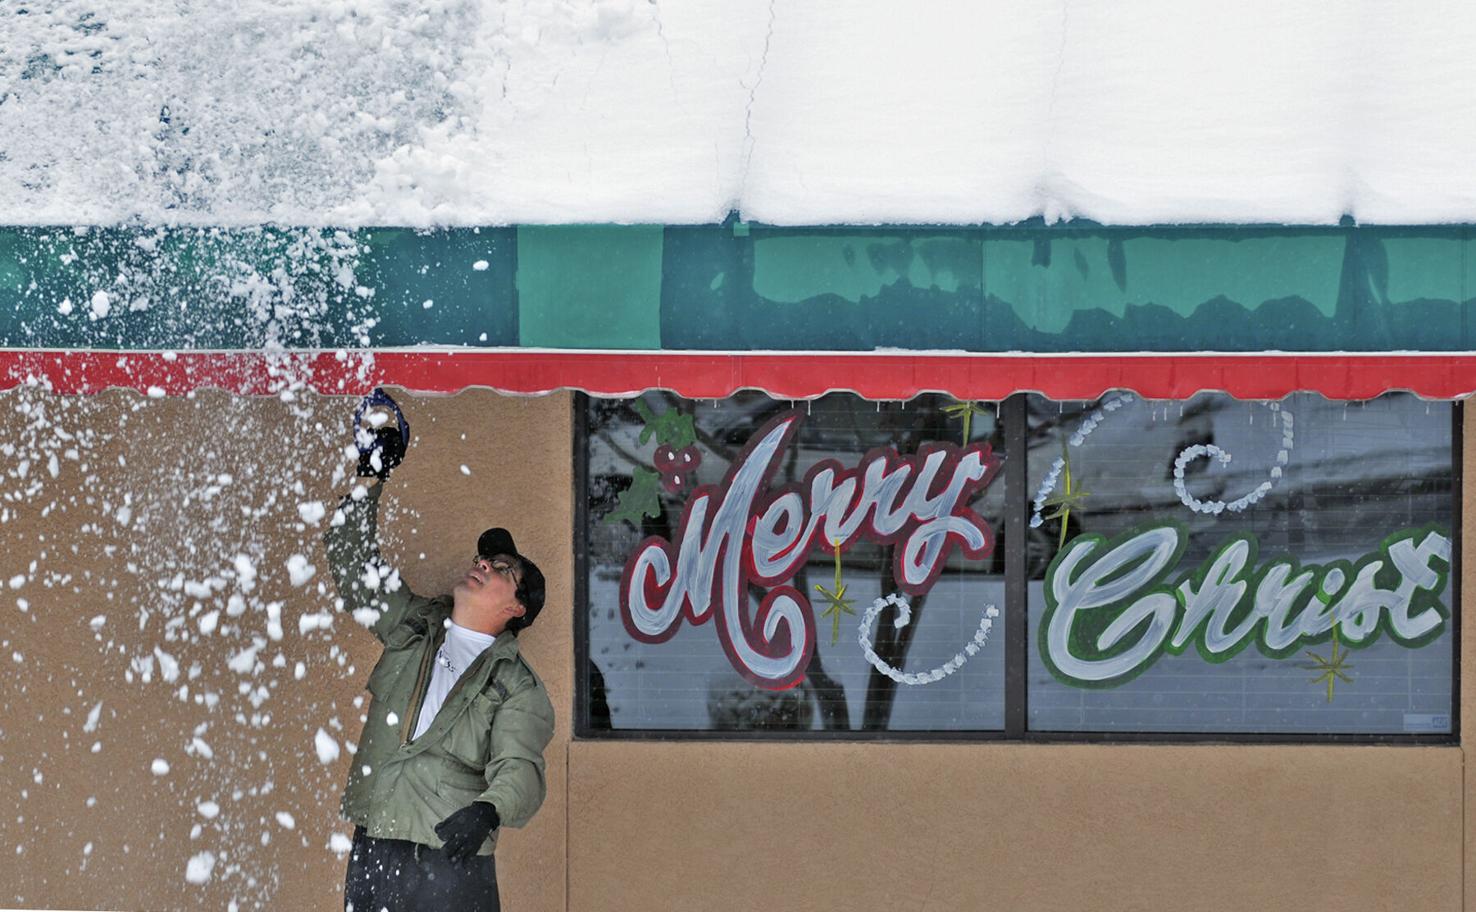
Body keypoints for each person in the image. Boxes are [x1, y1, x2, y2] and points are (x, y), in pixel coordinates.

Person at [324, 413, 554, 912]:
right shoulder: (412, 625)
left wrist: (489, 812)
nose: (483, 564)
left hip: (451, 862)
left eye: (502, 569)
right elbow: (353, 567)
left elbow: (521, 768)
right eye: (484, 560)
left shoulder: (515, 685)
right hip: (376, 847)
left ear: (518, 608)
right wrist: (370, 476)